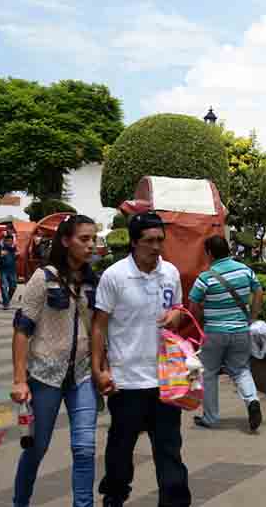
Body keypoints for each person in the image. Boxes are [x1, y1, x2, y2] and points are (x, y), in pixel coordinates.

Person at [93, 212, 190, 507]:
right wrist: (99, 370)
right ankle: (115, 495)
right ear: (134, 242)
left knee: (170, 449)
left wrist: (177, 314)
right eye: (149, 241)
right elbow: (99, 325)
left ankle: (174, 501)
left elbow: (180, 309)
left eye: (160, 240)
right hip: (127, 380)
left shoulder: (170, 273)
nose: (156, 246)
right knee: (121, 447)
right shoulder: (115, 276)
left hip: (166, 379)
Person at [11, 215, 99, 507]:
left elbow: (99, 328)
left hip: (82, 375)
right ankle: (20, 502)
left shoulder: (92, 280)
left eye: (93, 239)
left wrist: (103, 368)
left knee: (85, 448)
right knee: (37, 447)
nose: (91, 245)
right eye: (84, 239)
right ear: (65, 240)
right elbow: (23, 329)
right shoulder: (43, 277)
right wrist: (20, 379)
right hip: (45, 376)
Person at [189, 235, 264, 432]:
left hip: (214, 333)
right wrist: (253, 317)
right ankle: (252, 401)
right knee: (241, 370)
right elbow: (259, 292)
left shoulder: (205, 278)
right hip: (241, 330)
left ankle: (211, 418)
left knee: (209, 374)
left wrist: (200, 319)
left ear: (210, 253)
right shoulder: (245, 270)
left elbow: (193, 306)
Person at [0, 232, 19, 309]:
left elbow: (16, 259)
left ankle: (6, 301)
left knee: (13, 286)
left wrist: (17, 255)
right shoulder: (0, 249)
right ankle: (6, 303)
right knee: (4, 287)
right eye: (7, 241)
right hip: (3, 270)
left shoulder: (14, 249)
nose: (9, 242)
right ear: (4, 241)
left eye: (10, 241)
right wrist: (0, 255)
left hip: (12, 270)